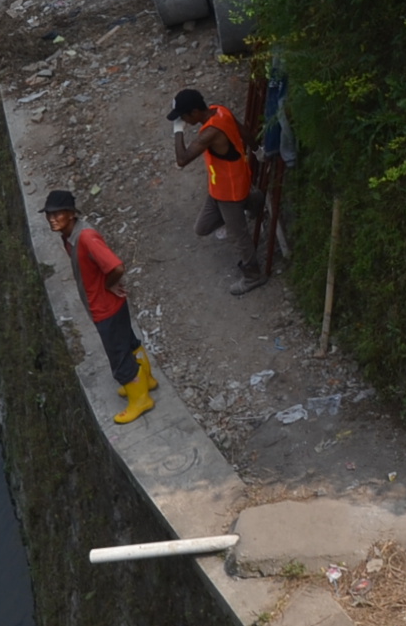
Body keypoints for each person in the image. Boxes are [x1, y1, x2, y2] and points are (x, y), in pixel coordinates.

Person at [44, 188, 155, 424]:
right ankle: (146, 379)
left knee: (119, 356)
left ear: (72, 214)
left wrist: (109, 284)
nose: (52, 219)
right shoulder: (69, 237)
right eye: (49, 215)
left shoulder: (85, 237)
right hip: (110, 304)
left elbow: (116, 266)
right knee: (129, 342)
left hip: (105, 308)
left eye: (57, 214)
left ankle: (140, 399)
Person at [168, 87, 265, 288]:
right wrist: (257, 149)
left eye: (184, 117)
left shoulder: (210, 133)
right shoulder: (220, 110)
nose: (184, 120)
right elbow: (244, 131)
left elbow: (182, 159)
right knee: (201, 228)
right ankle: (254, 200)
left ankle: (253, 275)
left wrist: (178, 131)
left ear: (195, 112)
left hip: (230, 192)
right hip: (222, 185)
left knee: (239, 236)